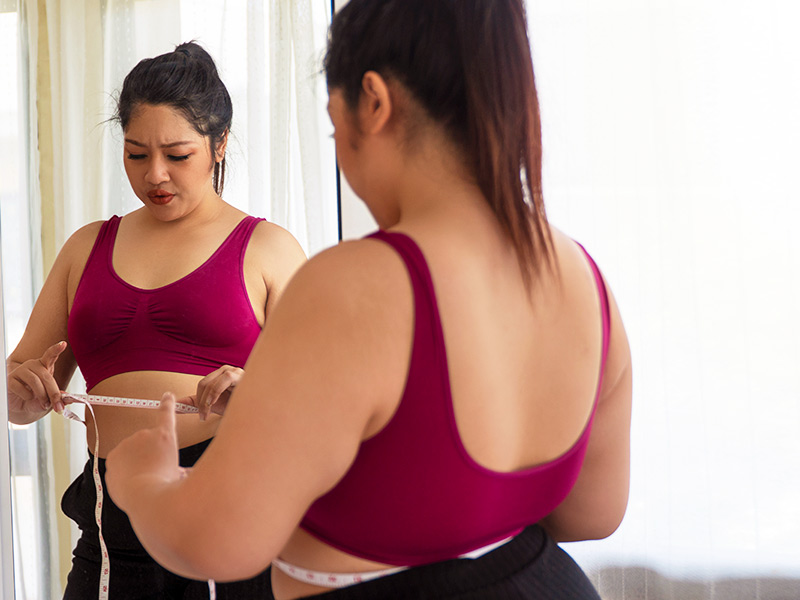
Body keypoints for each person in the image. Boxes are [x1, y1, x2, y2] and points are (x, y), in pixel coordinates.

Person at [105, 2, 633, 599]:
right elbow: (593, 514)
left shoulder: (356, 285)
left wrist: (142, 480)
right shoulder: (584, 279)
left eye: (335, 128)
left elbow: (217, 541)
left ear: (374, 103)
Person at [6, 42, 306, 599]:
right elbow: (20, 383)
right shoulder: (86, 247)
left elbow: (328, 406)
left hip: (227, 517)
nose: (156, 175)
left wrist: (260, 394)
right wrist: (19, 393)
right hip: (108, 522)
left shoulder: (269, 248)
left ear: (219, 145)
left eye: (178, 154)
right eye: (136, 154)